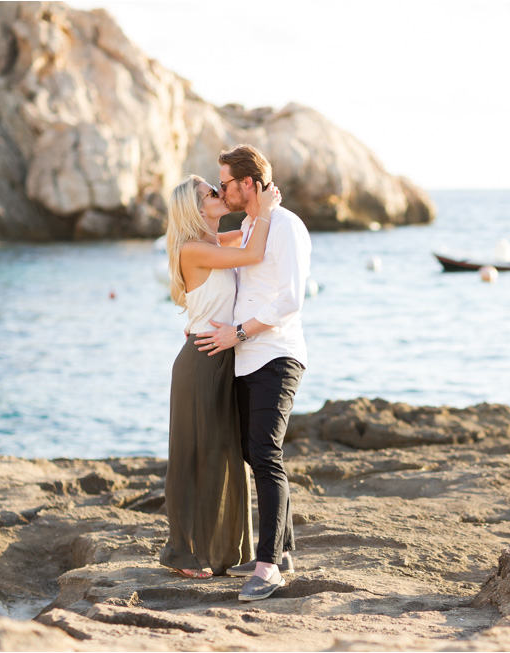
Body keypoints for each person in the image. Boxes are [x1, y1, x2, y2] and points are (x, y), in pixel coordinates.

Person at [195, 145, 311, 602]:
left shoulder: (286, 226)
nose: (222, 190)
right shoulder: (249, 226)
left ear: (248, 184)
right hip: (244, 355)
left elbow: (290, 299)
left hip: (276, 354)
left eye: (224, 183)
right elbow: (214, 261)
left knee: (264, 452)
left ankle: (268, 567)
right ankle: (280, 551)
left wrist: (237, 332)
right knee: (251, 451)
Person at [159, 173, 280, 578]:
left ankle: (225, 550)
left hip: (223, 357)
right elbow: (254, 253)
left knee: (224, 456)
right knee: (196, 457)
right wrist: (264, 209)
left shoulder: (212, 242)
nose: (218, 193)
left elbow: (248, 239)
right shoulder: (193, 249)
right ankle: (183, 554)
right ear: (195, 208)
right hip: (201, 360)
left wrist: (256, 208)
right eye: (210, 192)